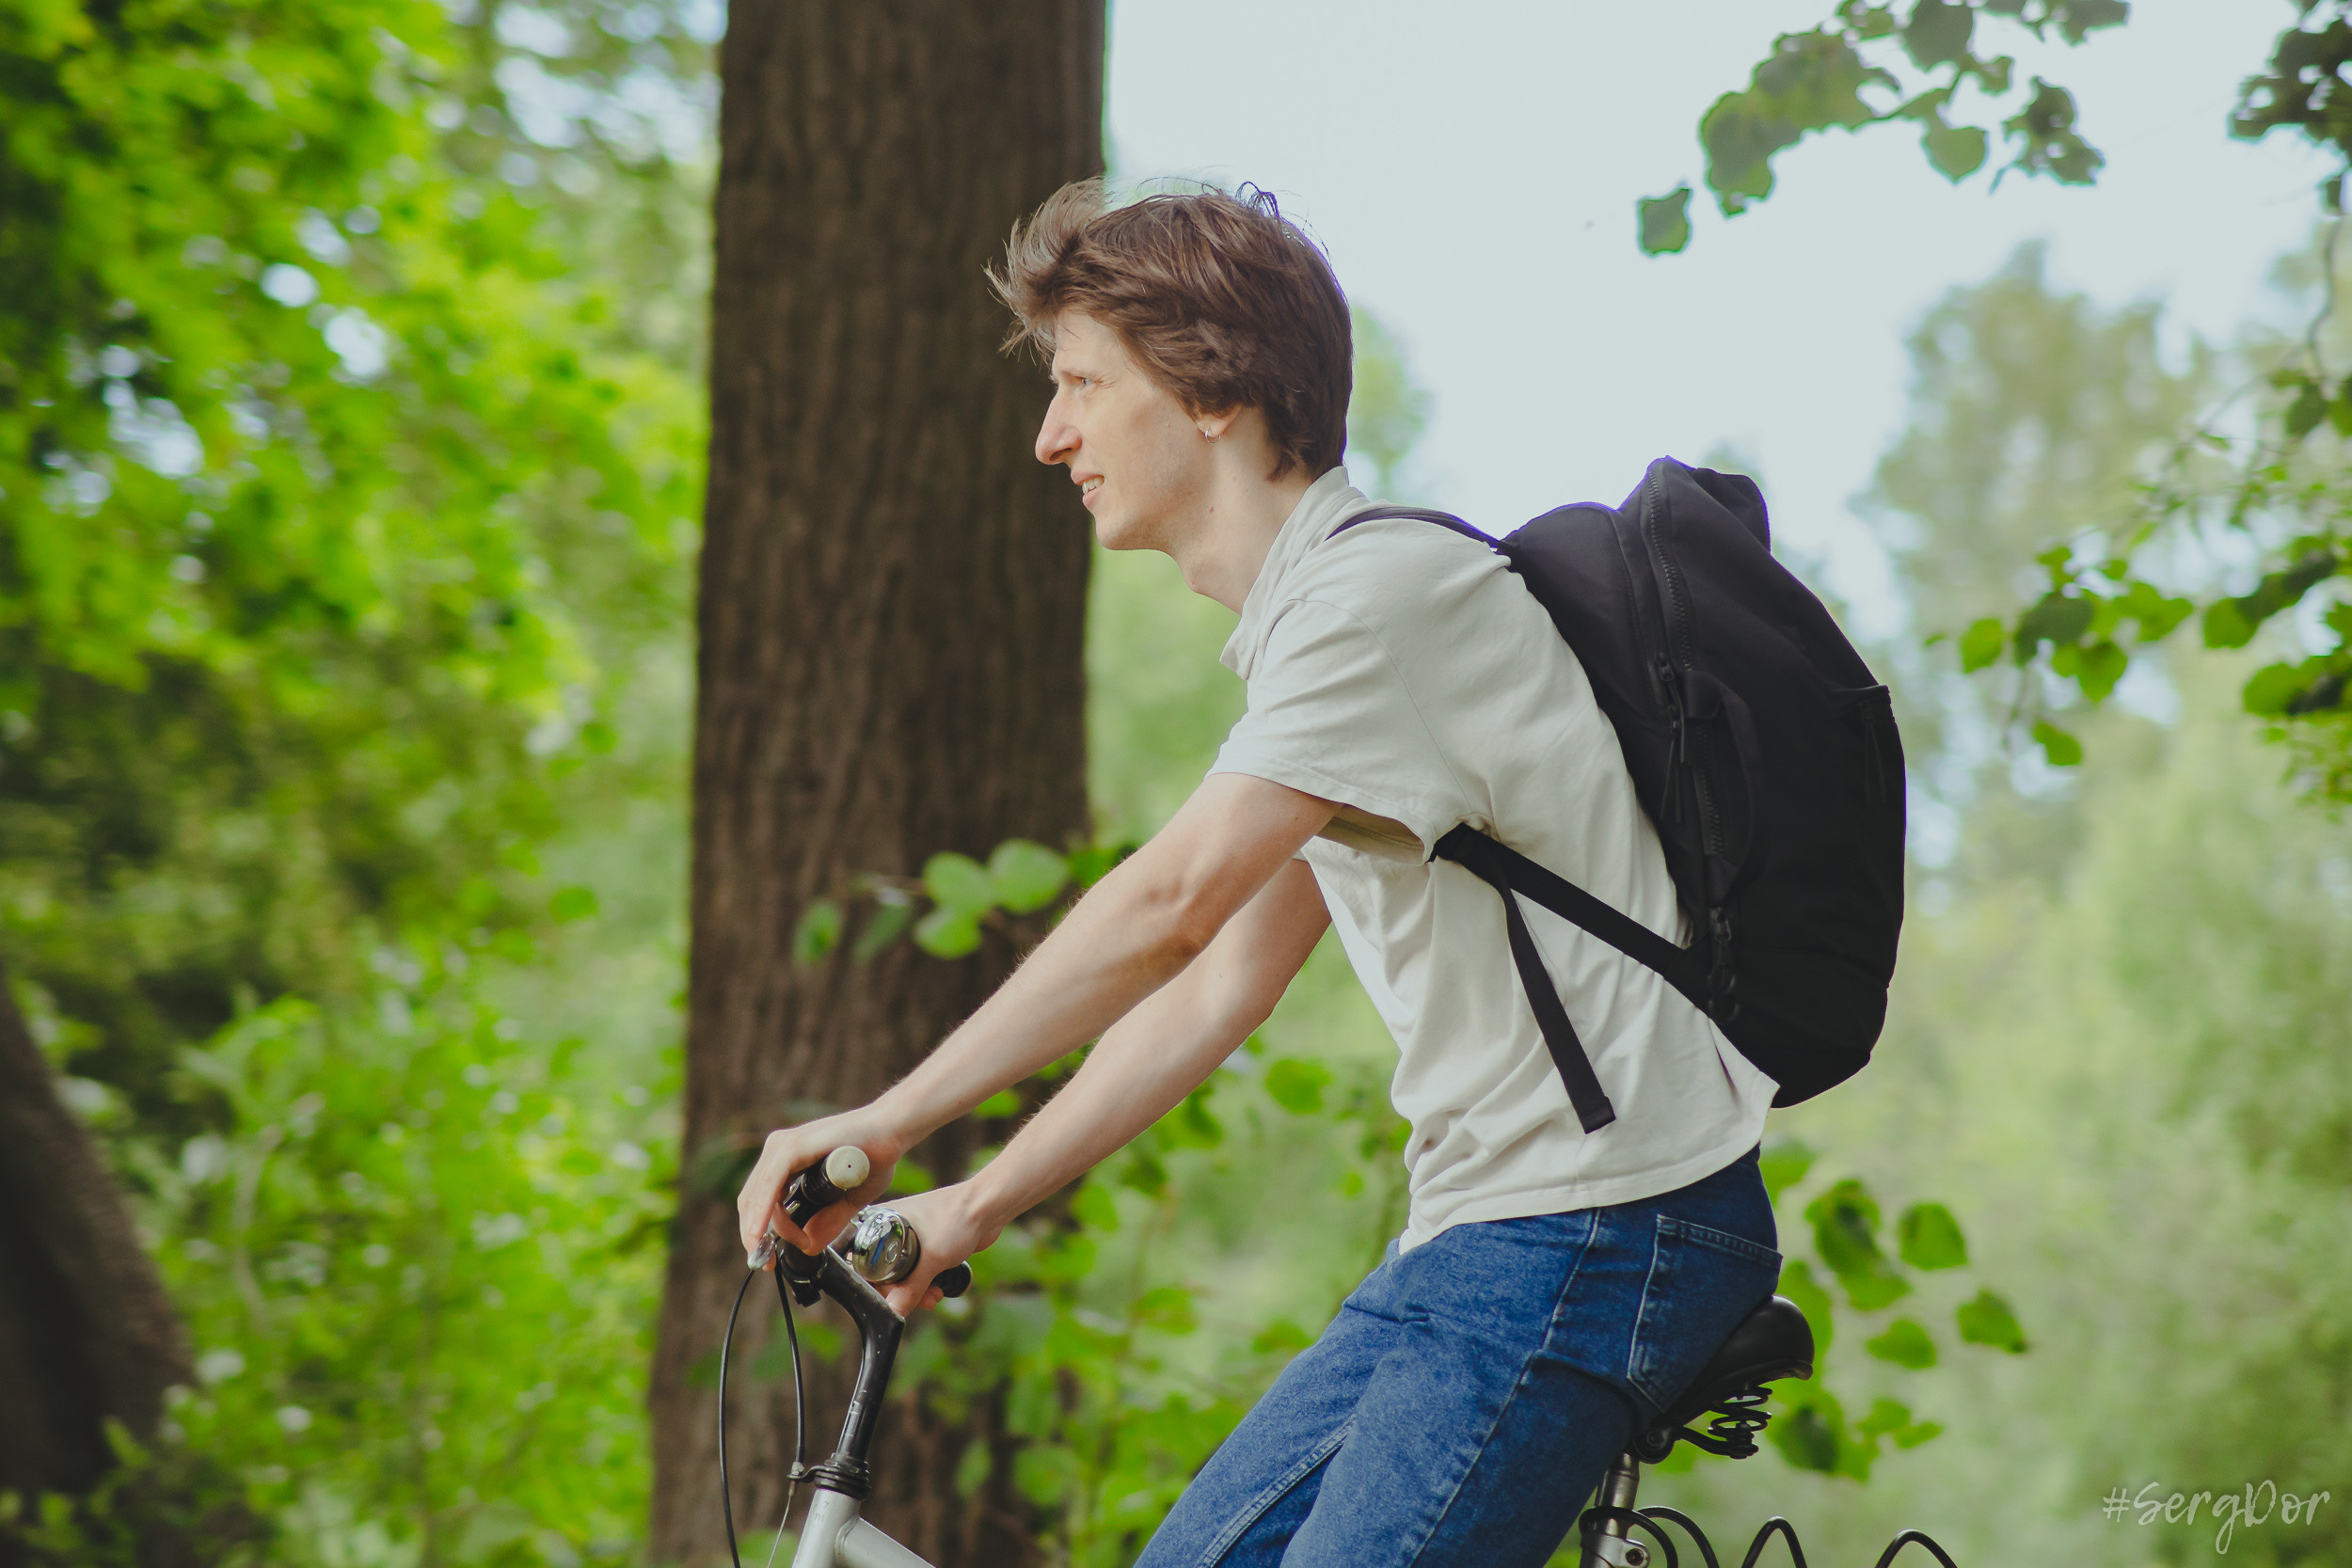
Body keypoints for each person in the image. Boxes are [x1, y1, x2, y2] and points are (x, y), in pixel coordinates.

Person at [736, 180, 1783, 1568]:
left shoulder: (1380, 603)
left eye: (1083, 385)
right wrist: (968, 1207)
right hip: (1479, 1235)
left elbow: (1170, 911)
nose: (1052, 438)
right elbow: (1224, 979)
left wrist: (885, 1120)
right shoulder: (1323, 635)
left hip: (1596, 1224)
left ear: (1211, 389)